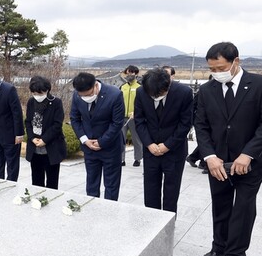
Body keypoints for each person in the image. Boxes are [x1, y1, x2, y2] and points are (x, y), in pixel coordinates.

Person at [194, 42, 262, 256]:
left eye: (220, 67)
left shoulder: (261, 84)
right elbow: (201, 125)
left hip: (250, 163)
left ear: (236, 62)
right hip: (217, 162)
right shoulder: (207, 90)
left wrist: (247, 154)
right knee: (220, 205)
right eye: (211, 68)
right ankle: (218, 248)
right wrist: (209, 156)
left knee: (243, 208)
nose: (216, 72)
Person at [134, 67, 193, 212]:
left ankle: (168, 225)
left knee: (171, 192)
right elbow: (139, 121)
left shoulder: (184, 93)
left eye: (158, 94)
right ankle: (151, 222)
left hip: (174, 151)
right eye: (152, 94)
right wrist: (148, 144)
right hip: (151, 150)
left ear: (168, 85)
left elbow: (185, 124)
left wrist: (167, 145)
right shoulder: (141, 92)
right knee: (150, 190)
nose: (155, 97)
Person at [70, 72, 125, 200]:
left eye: (88, 94)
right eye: (82, 95)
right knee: (91, 184)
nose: (86, 97)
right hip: (89, 148)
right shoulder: (77, 95)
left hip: (110, 148)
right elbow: (75, 118)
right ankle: (92, 211)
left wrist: (101, 142)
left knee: (111, 185)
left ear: (95, 85)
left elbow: (117, 123)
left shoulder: (114, 94)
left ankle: (109, 213)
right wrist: (84, 140)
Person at [24, 76, 66, 188]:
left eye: (40, 93)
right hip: (35, 148)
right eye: (34, 93)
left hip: (51, 147)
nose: (37, 96)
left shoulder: (56, 102)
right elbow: (28, 122)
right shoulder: (31, 102)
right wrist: (32, 138)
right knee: (36, 181)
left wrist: (44, 140)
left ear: (47, 91)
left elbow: (57, 125)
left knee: (52, 182)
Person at [120, 65, 143, 167]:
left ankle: (138, 159)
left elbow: (143, 103)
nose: (129, 75)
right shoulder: (122, 87)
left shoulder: (140, 87)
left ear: (136, 74)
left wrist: (136, 113)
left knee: (136, 139)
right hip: (122, 117)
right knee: (121, 139)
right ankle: (121, 159)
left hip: (134, 117)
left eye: (132, 73)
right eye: (128, 73)